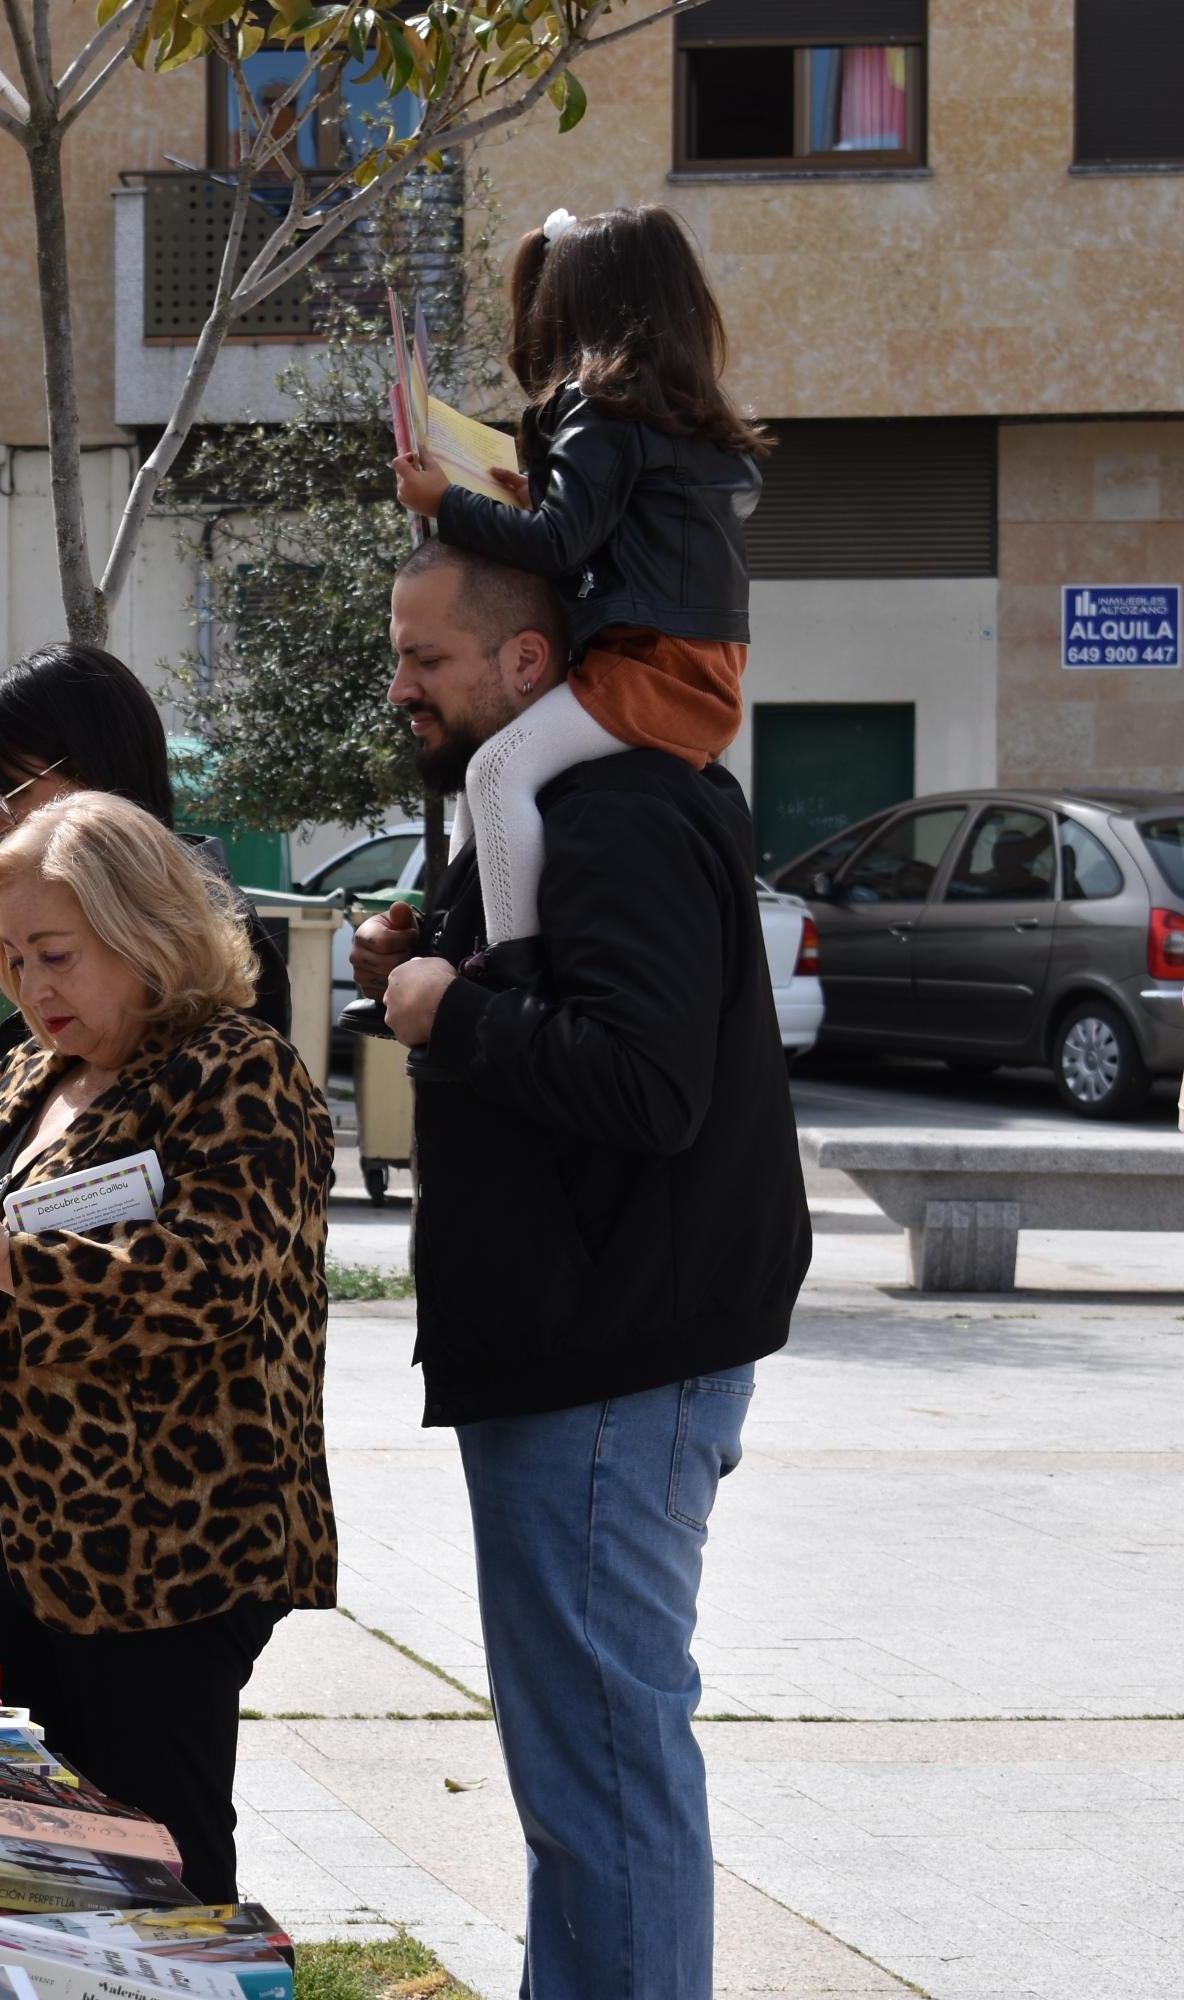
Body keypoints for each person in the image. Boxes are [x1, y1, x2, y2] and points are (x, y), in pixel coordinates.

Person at [359, 539, 809, 2000]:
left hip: (612, 1367)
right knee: (581, 1787)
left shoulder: (616, 809)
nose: (402, 687)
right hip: (580, 1357)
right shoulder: (540, 807)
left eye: (428, 659)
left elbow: (646, 1083)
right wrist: (431, 959)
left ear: (528, 664)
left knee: (605, 1784)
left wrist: (445, 1016)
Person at [0, 790, 335, 1902]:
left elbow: (216, 1279)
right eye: (13, 958)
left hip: (167, 1547)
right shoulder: (27, 1069)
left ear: (145, 927)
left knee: (159, 1858)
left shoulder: (235, 1066)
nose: (32, 986)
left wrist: (7, 1262)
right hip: (21, 1535)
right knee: (58, 1864)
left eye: (57, 954)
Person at [0, 639, 295, 1555]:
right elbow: (32, 1099)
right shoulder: (50, 980)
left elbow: (209, 1257)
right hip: (25, 1498)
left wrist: (3, 1256)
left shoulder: (226, 1018)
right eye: (16, 963)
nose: (3, 824)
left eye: (13, 793)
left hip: (154, 1514)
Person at [392, 201, 766, 985]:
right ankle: (448, 946)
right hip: (694, 665)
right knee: (485, 772)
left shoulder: (599, 410)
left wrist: (445, 504)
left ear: (575, 302)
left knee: (493, 772)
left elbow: (563, 544)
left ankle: (509, 968)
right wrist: (537, 497)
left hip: (648, 667)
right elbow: (612, 533)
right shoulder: (677, 419)